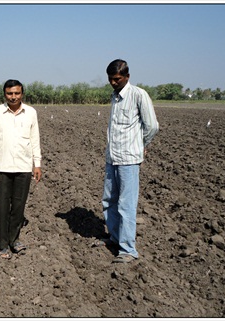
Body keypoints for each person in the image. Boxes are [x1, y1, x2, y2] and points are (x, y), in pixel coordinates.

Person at [94, 59, 159, 263]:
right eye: (110, 79)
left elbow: (152, 126)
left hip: (129, 160)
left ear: (127, 77)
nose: (113, 83)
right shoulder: (115, 97)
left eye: (117, 79)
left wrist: (140, 145)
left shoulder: (138, 95)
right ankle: (114, 238)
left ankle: (128, 250)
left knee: (126, 205)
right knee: (109, 200)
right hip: (112, 157)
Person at [0, 79, 42, 259]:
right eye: (10, 93)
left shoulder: (31, 112)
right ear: (4, 94)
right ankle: (2, 244)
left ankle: (14, 239)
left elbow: (35, 139)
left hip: (23, 166)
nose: (13, 97)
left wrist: (37, 164)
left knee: (18, 206)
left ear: (22, 94)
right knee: (2, 207)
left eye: (17, 93)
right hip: (2, 166)